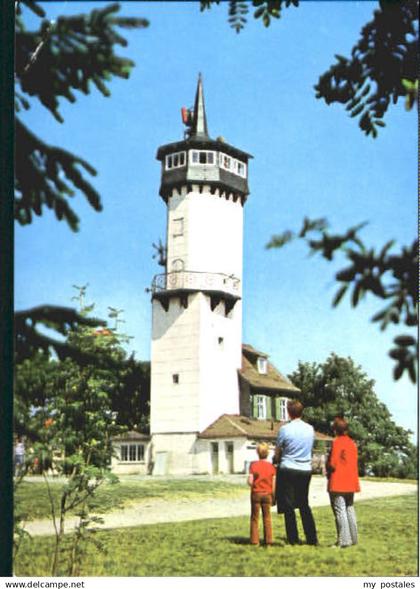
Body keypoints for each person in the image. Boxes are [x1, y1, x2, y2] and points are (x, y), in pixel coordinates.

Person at [274, 400, 318, 545]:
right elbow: (310, 449)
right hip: (305, 469)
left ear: (289, 412)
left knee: (288, 506)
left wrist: (276, 461)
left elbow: (278, 450)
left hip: (288, 468)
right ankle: (312, 538)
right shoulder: (310, 429)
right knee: (304, 504)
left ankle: (293, 538)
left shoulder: (285, 429)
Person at [327, 417, 360, 548]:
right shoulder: (352, 443)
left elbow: (333, 463)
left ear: (335, 430)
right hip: (351, 481)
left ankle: (344, 540)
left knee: (340, 510)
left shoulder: (337, 442)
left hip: (338, 481)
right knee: (350, 509)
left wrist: (327, 465)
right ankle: (353, 538)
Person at [248, 442, 276, 546]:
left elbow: (250, 481)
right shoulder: (271, 467)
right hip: (267, 494)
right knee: (267, 517)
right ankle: (268, 541)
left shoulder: (253, 465)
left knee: (255, 517)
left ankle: (254, 540)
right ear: (268, 453)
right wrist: (273, 496)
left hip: (256, 493)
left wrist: (252, 483)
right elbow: (273, 483)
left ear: (257, 453)